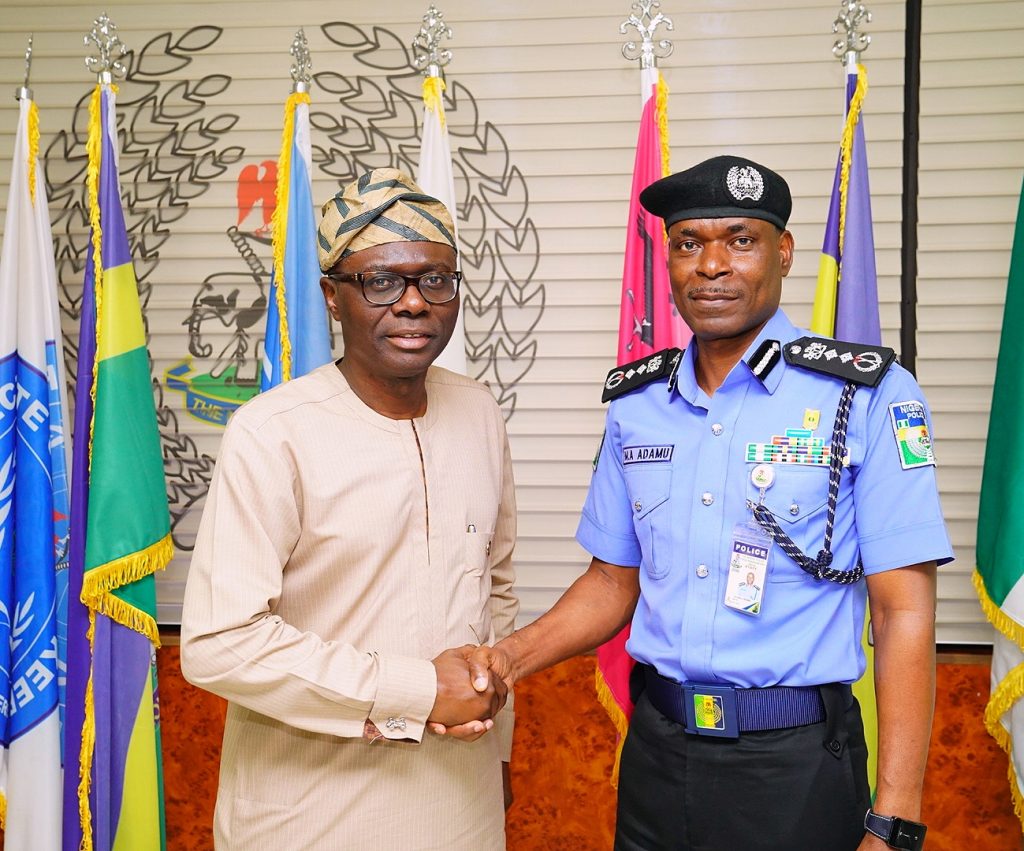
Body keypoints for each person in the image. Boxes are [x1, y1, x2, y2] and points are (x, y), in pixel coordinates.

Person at [459, 156, 950, 851]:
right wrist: (506, 658)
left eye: (740, 240)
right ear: (668, 260)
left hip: (794, 765)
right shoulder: (638, 404)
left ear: (783, 252)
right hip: (657, 755)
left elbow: (903, 611)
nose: (712, 265)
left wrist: (894, 818)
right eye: (689, 243)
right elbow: (611, 583)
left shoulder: (865, 395)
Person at [181, 168, 517, 850]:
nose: (414, 303)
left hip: (464, 804)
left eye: (436, 279)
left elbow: (496, 591)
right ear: (333, 297)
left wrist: (501, 753)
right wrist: (417, 690)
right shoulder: (273, 432)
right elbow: (219, 643)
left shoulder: (478, 411)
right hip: (310, 813)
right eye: (381, 281)